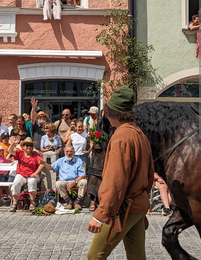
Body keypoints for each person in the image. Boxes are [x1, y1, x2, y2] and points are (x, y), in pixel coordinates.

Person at [87, 87, 154, 260]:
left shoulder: (121, 137)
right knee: (136, 257)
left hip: (124, 206)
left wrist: (102, 214)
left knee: (95, 256)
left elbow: (115, 181)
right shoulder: (139, 134)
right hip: (138, 204)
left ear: (111, 113)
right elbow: (149, 174)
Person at [8, 136, 45, 212]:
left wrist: (36, 173)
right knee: (16, 183)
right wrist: (13, 144)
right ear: (23, 146)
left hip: (32, 174)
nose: (29, 147)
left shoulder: (35, 154)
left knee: (32, 181)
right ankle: (15, 202)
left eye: (30, 145)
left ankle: (32, 201)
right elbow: (10, 151)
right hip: (21, 174)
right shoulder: (20, 153)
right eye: (27, 145)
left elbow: (42, 163)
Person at [46, 145, 87, 210]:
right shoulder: (60, 160)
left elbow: (83, 175)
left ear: (74, 152)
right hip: (64, 182)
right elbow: (51, 167)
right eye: (67, 151)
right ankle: (69, 202)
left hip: (76, 181)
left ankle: (77, 202)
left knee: (84, 182)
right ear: (64, 152)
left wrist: (74, 182)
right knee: (58, 183)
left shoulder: (78, 161)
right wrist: (44, 164)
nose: (69, 153)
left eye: (71, 151)